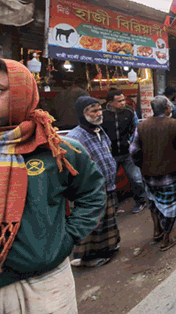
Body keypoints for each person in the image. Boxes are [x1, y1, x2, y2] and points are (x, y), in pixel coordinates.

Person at [0, 57, 105, 313]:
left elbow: (92, 192)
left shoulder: (58, 150)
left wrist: (67, 238)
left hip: (47, 282)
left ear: (22, 92)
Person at [66, 97, 120, 268]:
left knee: (107, 220)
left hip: (107, 186)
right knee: (93, 225)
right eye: (93, 111)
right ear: (82, 114)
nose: (99, 114)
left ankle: (109, 249)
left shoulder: (99, 130)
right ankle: (87, 258)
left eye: (99, 109)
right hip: (90, 191)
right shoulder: (74, 138)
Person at [130, 96, 176, 251]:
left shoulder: (141, 126)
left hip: (148, 176)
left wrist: (142, 165)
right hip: (169, 175)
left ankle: (156, 231)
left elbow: (133, 151)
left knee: (153, 203)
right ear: (166, 108)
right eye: (170, 106)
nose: (171, 108)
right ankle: (167, 239)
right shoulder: (175, 125)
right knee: (170, 207)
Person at [102, 88, 147, 214]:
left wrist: (131, 142)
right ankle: (113, 207)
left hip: (127, 153)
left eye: (123, 100)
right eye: (119, 101)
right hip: (110, 154)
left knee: (137, 179)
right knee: (110, 182)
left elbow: (137, 128)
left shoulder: (130, 112)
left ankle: (141, 201)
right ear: (111, 102)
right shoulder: (102, 114)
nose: (123, 103)